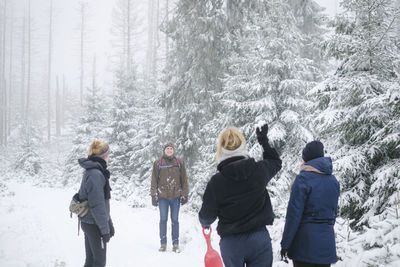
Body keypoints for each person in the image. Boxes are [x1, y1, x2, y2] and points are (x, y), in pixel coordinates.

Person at [199, 125, 282, 267]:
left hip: (232, 243)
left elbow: (207, 216)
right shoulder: (259, 170)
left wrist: (205, 224)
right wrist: (263, 141)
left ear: (221, 149)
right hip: (259, 239)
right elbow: (275, 162)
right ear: (242, 145)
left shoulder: (216, 182)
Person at [280, 141, 340, 267]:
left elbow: (293, 215)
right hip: (326, 245)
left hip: (304, 246)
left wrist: (285, 244)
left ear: (305, 158)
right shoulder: (333, 181)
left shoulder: (302, 179)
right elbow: (333, 214)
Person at [78, 140, 114, 267]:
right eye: (108, 154)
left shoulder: (94, 170)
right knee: (99, 262)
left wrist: (109, 222)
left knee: (91, 260)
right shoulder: (95, 174)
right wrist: (104, 230)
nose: (109, 157)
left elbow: (102, 202)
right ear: (104, 155)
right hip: (94, 224)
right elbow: (97, 205)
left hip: (90, 222)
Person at [150, 142, 189, 252]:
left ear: (174, 150)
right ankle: (163, 244)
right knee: (163, 220)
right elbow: (154, 179)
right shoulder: (158, 163)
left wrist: (185, 194)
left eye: (171, 148)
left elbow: (184, 180)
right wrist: (153, 195)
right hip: (162, 196)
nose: (169, 150)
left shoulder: (179, 162)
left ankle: (175, 244)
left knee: (175, 220)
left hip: (176, 196)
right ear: (164, 150)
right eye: (167, 148)